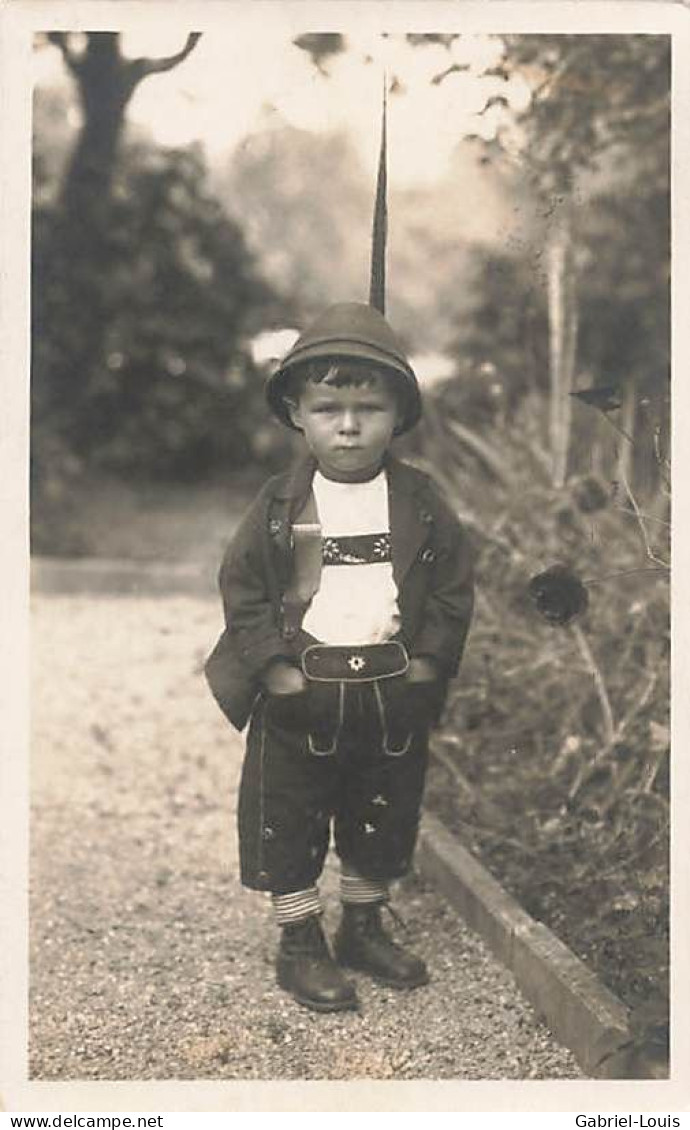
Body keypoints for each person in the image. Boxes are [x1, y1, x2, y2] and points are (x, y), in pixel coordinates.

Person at [205, 300, 475, 1013]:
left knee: (380, 809)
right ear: (298, 412)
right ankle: (299, 940)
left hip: (391, 692)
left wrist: (429, 664)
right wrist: (273, 669)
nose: (349, 426)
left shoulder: (418, 501)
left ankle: (361, 925)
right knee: (288, 814)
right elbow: (244, 589)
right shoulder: (278, 504)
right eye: (329, 407)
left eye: (368, 407)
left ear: (399, 414)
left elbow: (452, 585)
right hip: (301, 693)